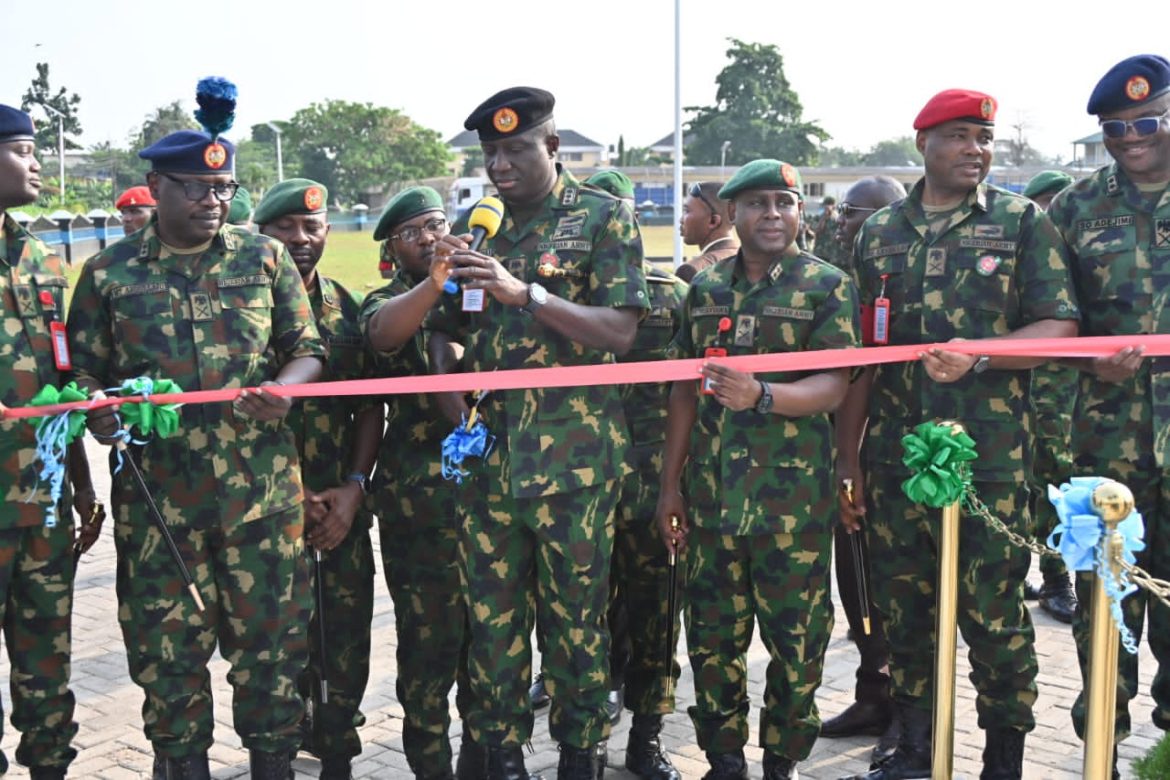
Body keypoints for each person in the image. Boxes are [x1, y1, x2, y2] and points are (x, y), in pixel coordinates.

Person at [66, 127, 326, 779]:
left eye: (224, 187)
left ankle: (273, 765)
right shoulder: (108, 274)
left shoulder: (263, 260)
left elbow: (308, 346)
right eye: (198, 187)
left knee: (271, 658)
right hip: (159, 511)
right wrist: (100, 412)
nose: (214, 200)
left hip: (261, 505)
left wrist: (285, 392)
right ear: (156, 188)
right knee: (168, 662)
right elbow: (84, 374)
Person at [837, 89, 1080, 780]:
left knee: (994, 614)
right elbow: (861, 357)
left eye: (985, 137)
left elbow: (1059, 329)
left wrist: (981, 352)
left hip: (990, 462)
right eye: (962, 136)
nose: (977, 148)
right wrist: (846, 459)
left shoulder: (1021, 221)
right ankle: (914, 748)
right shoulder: (877, 232)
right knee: (906, 612)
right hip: (895, 459)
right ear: (924, 143)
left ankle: (1003, 757)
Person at [427, 86, 648, 780]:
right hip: (491, 468)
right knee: (491, 628)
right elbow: (442, 333)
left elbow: (620, 331)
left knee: (577, 627)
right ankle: (500, 757)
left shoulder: (604, 219)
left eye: (517, 148)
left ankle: (581, 757)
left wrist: (526, 294)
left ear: (552, 146)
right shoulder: (477, 227)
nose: (501, 165)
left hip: (574, 471)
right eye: (491, 152)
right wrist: (456, 414)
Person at [657, 158, 858, 780]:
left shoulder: (827, 286)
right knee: (713, 640)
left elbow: (836, 384)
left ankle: (782, 761)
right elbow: (684, 393)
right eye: (758, 204)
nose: (773, 214)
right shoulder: (706, 290)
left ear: (799, 212)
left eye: (785, 203)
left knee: (797, 643)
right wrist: (670, 486)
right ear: (734, 214)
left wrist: (763, 395)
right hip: (714, 502)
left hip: (791, 506)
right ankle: (723, 761)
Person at [1046, 53, 1170, 779]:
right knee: (1105, 617)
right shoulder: (1076, 208)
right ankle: (1101, 750)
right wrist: (1085, 360)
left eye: (1148, 121)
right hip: (1107, 447)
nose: (1130, 138)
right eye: (1115, 128)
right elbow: (1049, 317)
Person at [254, 178, 380, 780]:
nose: (302, 239)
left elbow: (371, 407)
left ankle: (338, 756)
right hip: (266, 507)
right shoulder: (244, 311)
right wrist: (291, 493)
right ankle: (275, 755)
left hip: (340, 509)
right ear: (262, 234)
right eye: (286, 228)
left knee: (346, 637)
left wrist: (354, 488)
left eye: (313, 227)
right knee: (275, 644)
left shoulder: (349, 310)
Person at [359, 185, 477, 780]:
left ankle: (489, 760)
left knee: (493, 644)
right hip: (419, 506)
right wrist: (433, 283)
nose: (430, 238)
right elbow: (382, 336)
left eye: (435, 224)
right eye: (412, 233)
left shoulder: (482, 286)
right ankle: (431, 764)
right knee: (427, 646)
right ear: (394, 249)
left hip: (490, 501)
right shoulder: (388, 300)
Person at [0, 103, 101, 780]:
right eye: (22, 149)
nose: (37, 161)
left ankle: (49, 768)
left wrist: (84, 485)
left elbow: (62, 380)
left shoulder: (39, 256)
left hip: (41, 498)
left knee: (46, 658)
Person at [583, 169, 688, 780]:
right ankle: (589, 737)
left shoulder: (669, 296)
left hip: (651, 482)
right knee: (579, 620)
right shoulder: (556, 299)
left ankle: (645, 739)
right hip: (577, 482)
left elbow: (686, 392)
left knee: (656, 616)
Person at [818, 176, 906, 766]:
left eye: (860, 214)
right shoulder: (841, 282)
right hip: (844, 449)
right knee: (855, 583)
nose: (848, 224)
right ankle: (872, 697)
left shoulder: (903, 283)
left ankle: (905, 714)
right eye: (847, 214)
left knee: (897, 589)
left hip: (896, 453)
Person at [1018, 169, 1080, 625]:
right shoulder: (1018, 253)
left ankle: (1057, 578)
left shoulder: (1078, 259)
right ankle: (1016, 571)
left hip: (1060, 388)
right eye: (1043, 202)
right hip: (1012, 387)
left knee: (1056, 481)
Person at [677, 181, 738, 282]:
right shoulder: (751, 261)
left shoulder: (692, 270)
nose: (681, 220)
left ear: (713, 221)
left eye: (687, 211)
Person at [812, 195, 848, 271]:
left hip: (834, 253)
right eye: (826, 205)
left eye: (830, 205)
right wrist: (823, 219)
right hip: (820, 251)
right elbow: (816, 230)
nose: (827, 207)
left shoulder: (839, 218)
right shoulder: (818, 217)